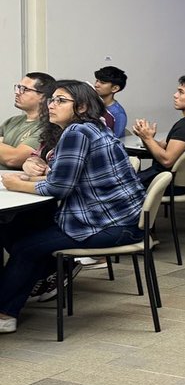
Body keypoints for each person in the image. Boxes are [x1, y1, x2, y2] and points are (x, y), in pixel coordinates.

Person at [0, 81, 145, 333]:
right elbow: (68, 178)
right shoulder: (92, 128)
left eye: (60, 101)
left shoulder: (76, 133)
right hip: (119, 218)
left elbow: (59, 189)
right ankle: (44, 278)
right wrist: (32, 178)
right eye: (51, 100)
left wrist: (16, 185)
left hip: (109, 224)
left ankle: (5, 313)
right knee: (17, 226)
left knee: (25, 245)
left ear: (81, 107)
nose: (51, 105)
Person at [132, 73, 185, 185]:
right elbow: (162, 147)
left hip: (165, 182)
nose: (175, 95)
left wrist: (148, 139)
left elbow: (167, 160)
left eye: (181, 92)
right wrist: (145, 136)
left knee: (109, 187)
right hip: (169, 180)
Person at [1, 71, 54, 170]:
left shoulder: (48, 126)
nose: (17, 92)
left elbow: (13, 158)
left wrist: (7, 150)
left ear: (42, 97)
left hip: (13, 182)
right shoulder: (11, 121)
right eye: (18, 87)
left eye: (24, 89)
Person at [93, 65, 128, 136]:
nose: (96, 85)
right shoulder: (91, 105)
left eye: (102, 82)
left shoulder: (118, 113)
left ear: (115, 88)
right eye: (97, 80)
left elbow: (117, 140)